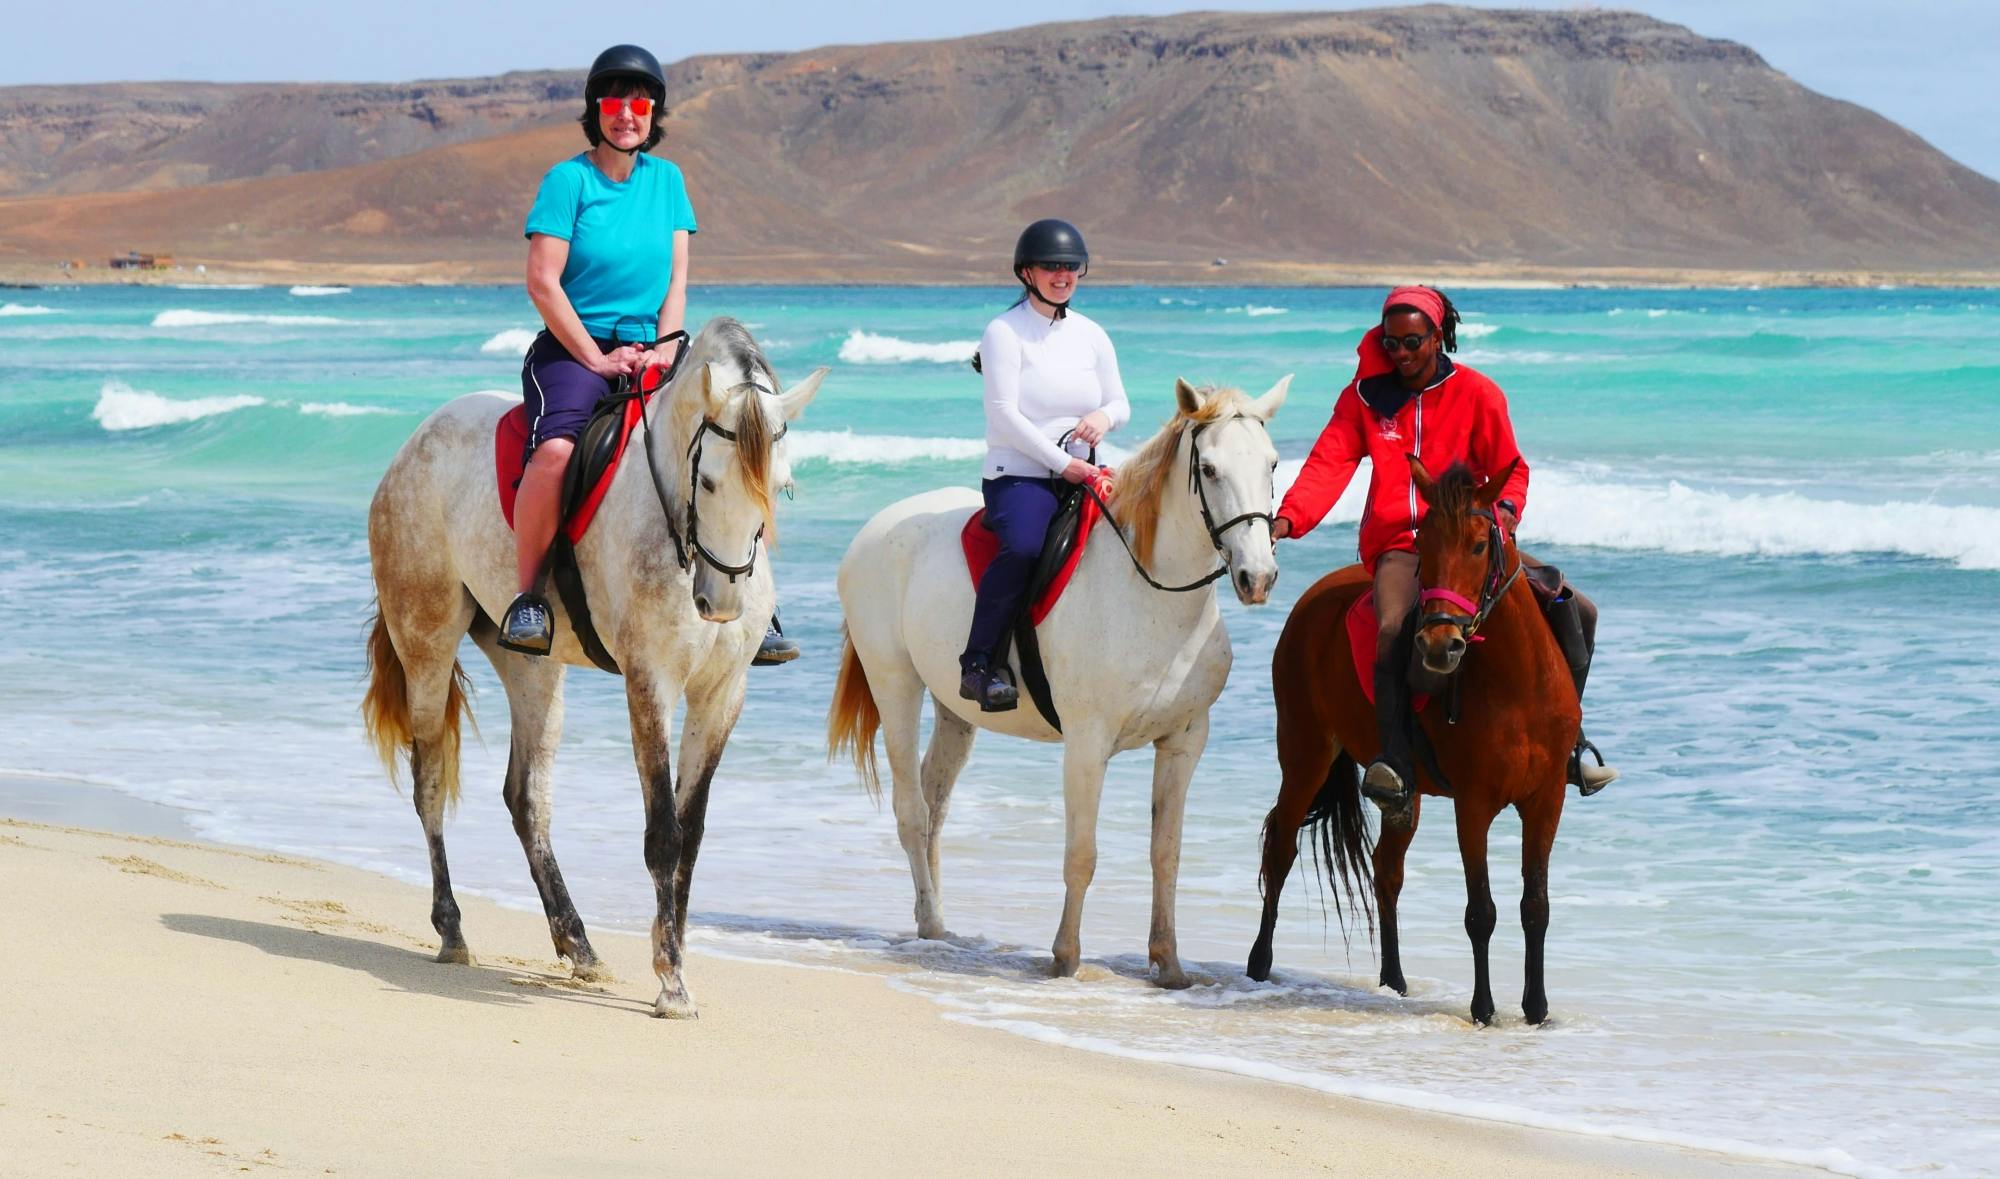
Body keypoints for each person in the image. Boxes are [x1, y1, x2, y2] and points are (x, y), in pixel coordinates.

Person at [500, 44, 797, 665]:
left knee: (742, 442)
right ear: (596, 109)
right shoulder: (567, 181)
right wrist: (597, 359)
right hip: (572, 348)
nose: (627, 114)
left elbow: (677, 283)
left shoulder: (668, 180)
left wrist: (663, 351)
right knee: (555, 452)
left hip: (656, 347)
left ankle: (759, 605)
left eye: (639, 103)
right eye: (614, 102)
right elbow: (542, 282)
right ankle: (528, 597)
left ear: (652, 111)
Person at [1273, 286, 1617, 796]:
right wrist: (1287, 519)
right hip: (1402, 544)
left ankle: (1568, 744)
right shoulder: (1366, 399)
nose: (1402, 354)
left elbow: (1511, 469)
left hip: (1471, 542)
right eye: (1391, 344)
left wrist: (1503, 513)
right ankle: (1392, 763)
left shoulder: (1478, 393)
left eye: (1412, 342)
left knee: (1576, 608)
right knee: (1391, 628)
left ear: (1439, 338)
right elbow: (1330, 462)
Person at [958, 219, 1129, 711]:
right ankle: (980, 663)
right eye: (1051, 266)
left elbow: (1121, 402)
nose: (1062, 275)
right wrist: (1062, 464)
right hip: (1019, 475)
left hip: (1085, 471)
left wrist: (1102, 416)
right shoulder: (1004, 333)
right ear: (1027, 272)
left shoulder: (1092, 335)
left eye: (1071, 266)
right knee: (1026, 547)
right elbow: (1004, 417)